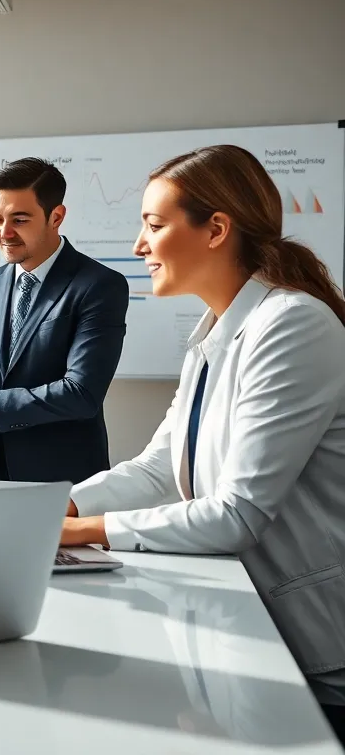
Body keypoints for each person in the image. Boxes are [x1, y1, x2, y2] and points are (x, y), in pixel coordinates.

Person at [62, 145, 345, 741]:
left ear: (216, 229)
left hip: (319, 648)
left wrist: (84, 530)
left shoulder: (292, 324)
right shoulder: (215, 333)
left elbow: (236, 514)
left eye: (154, 225)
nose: (139, 246)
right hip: (251, 629)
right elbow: (159, 467)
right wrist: (60, 507)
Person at [0, 157, 129, 483]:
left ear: (56, 216)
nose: (5, 233)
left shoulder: (99, 286)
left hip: (62, 482)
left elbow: (81, 394)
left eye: (19, 219)